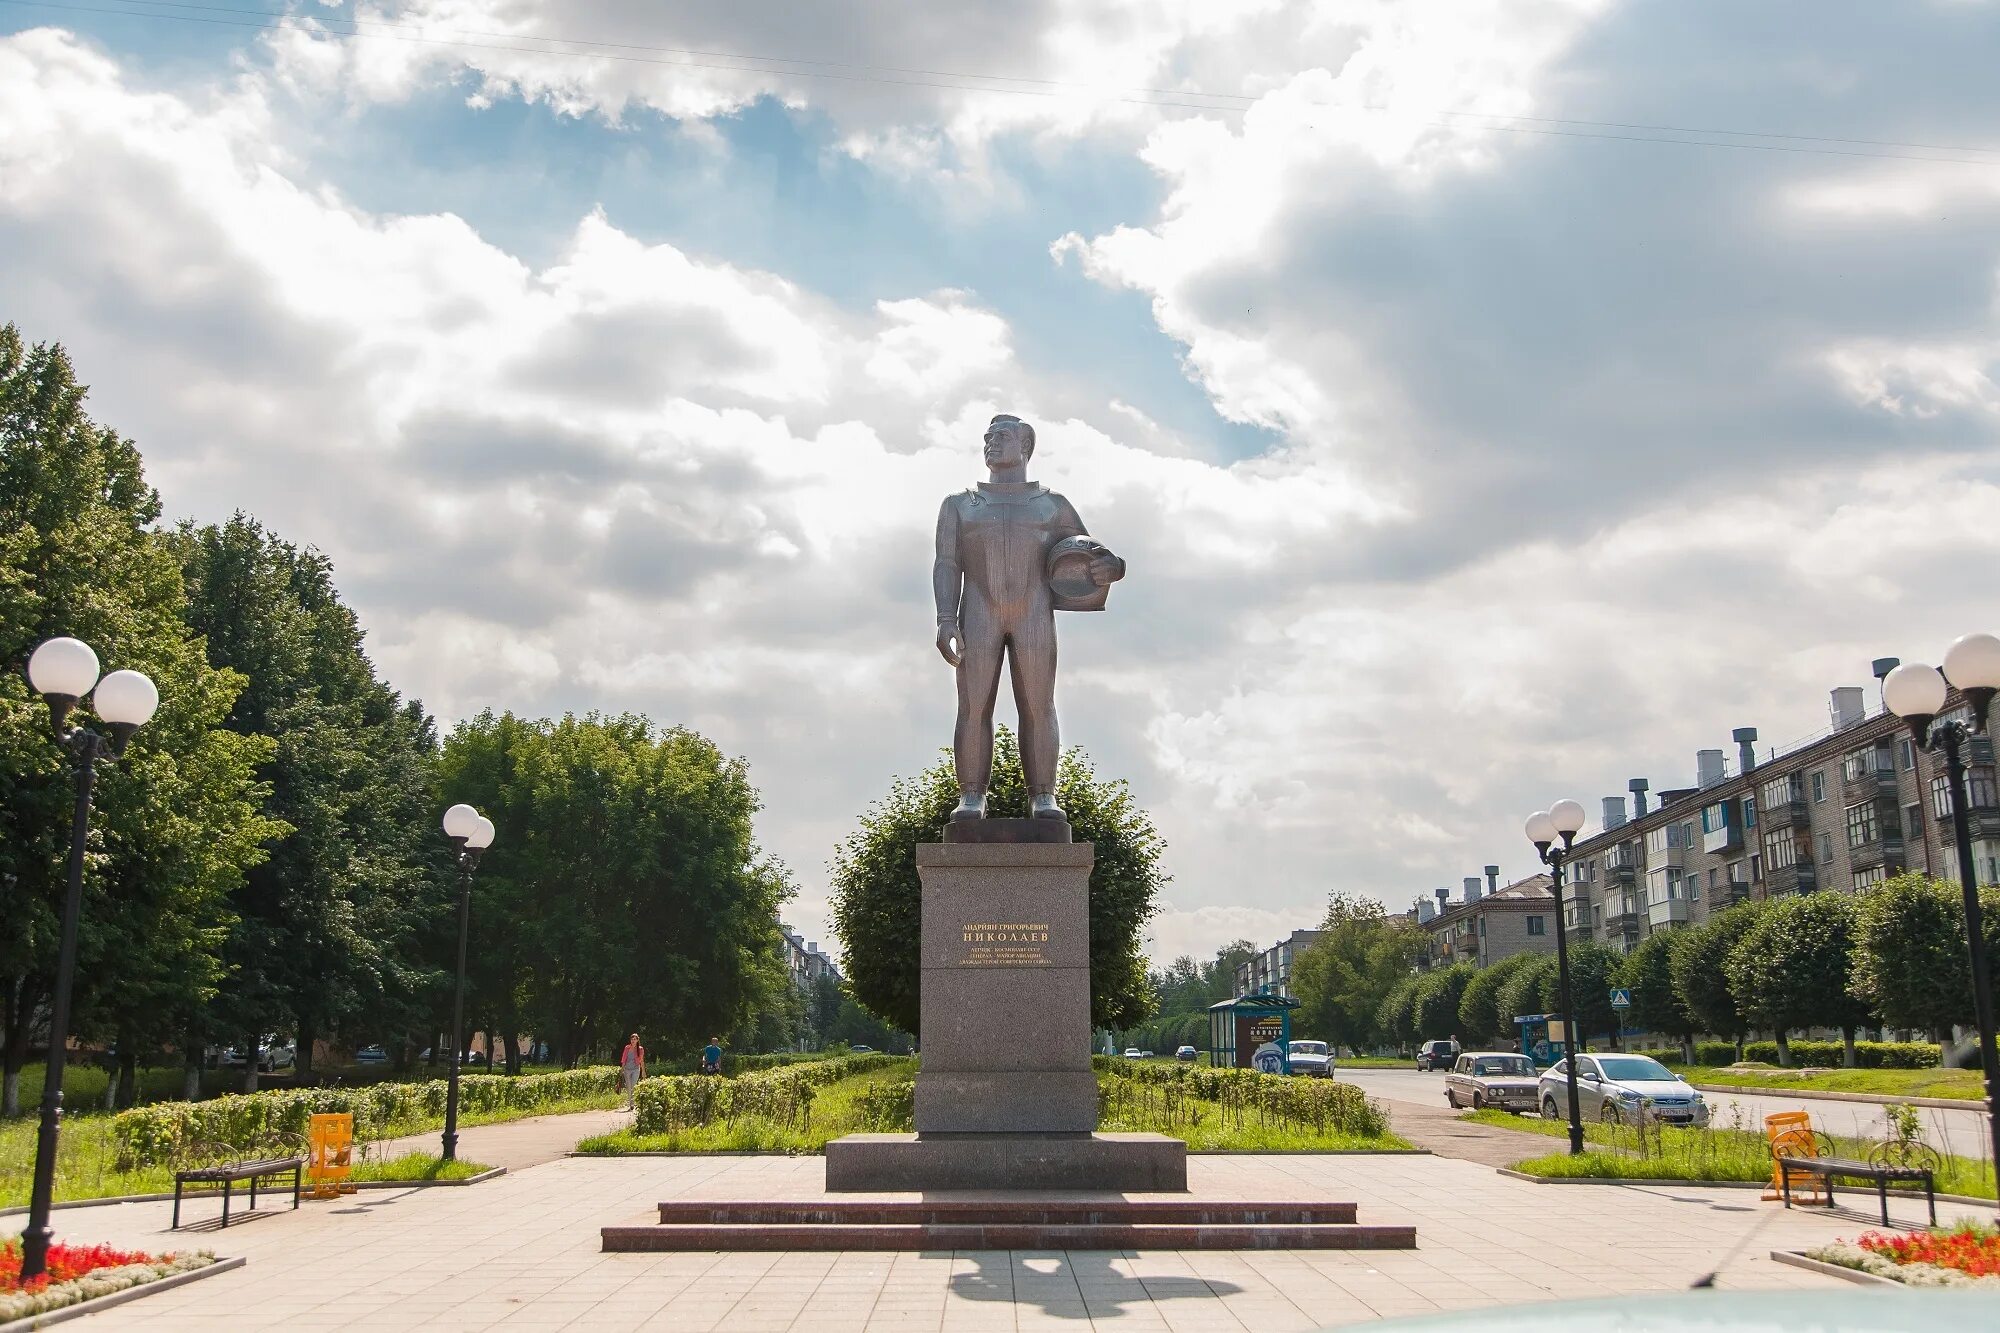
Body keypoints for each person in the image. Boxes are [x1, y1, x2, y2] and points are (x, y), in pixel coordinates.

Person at [932, 413, 1126, 822]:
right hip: (978, 612)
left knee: (1038, 704)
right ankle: (971, 795)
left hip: (1032, 614)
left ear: (1026, 444)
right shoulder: (960, 505)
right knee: (972, 704)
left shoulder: (1051, 505)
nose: (990, 442)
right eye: (986, 437)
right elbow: (947, 563)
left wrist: (1112, 565)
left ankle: (1043, 795)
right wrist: (946, 618)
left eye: (1000, 436)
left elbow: (1092, 555)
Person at [618, 1032, 645, 1109]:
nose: (633, 1041)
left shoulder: (640, 1049)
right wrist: (622, 1069)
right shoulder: (627, 1048)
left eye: (634, 1039)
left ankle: (632, 1103)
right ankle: (631, 1102)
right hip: (627, 1069)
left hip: (636, 1069)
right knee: (628, 1086)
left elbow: (642, 1060)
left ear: (637, 1040)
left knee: (633, 1086)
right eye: (632, 1039)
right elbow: (623, 1059)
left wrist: (643, 1071)